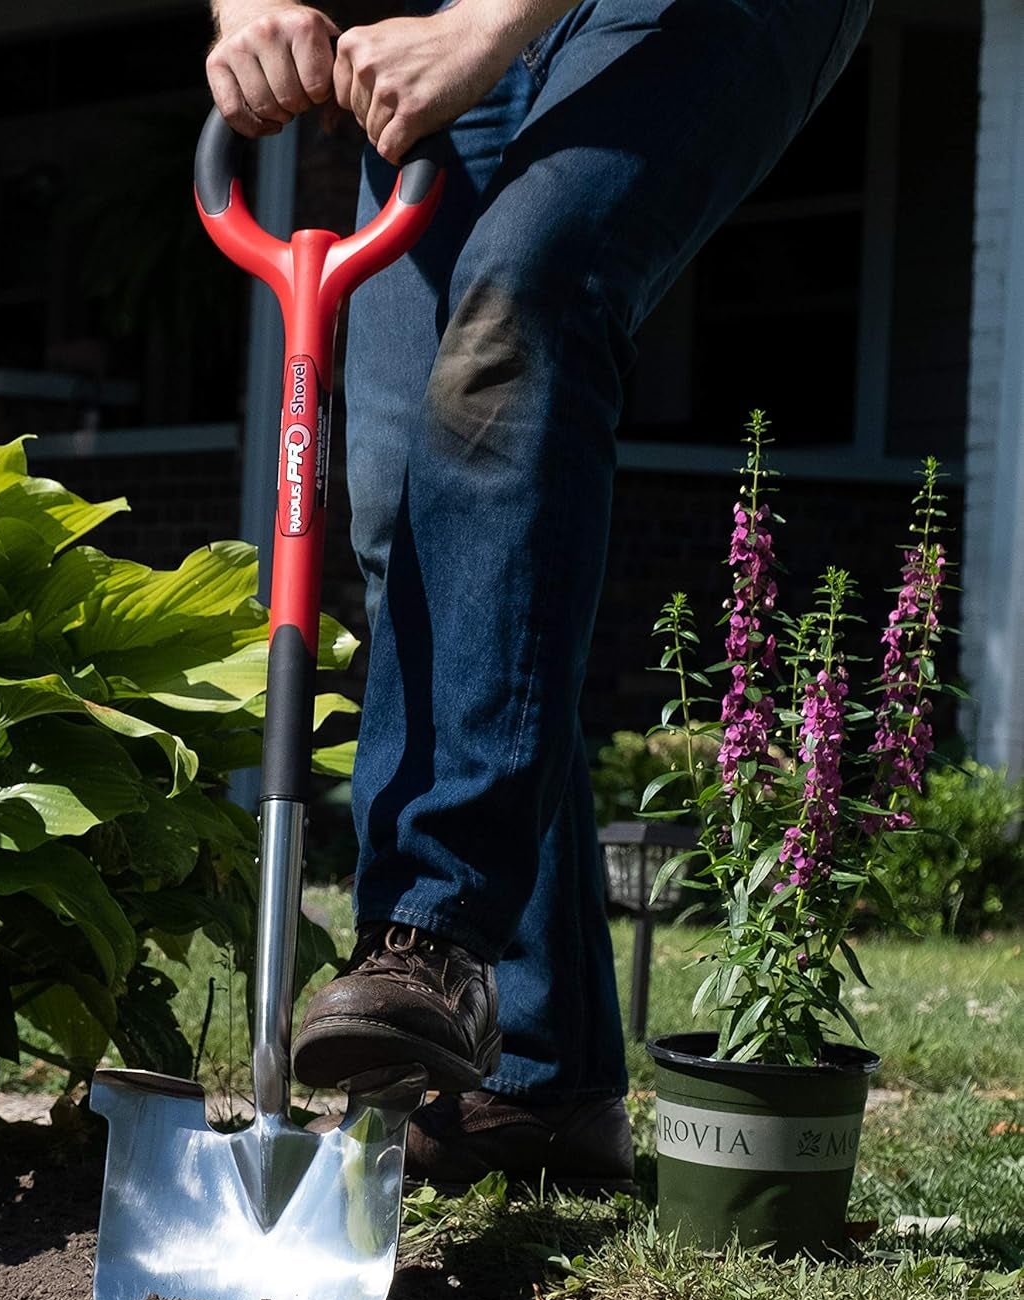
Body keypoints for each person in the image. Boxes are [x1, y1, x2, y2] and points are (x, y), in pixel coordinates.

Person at [206, 0, 871, 1190]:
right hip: (427, 22)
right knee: (408, 494)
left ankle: (434, 934)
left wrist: (483, 25)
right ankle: (539, 1086)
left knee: (530, 298)